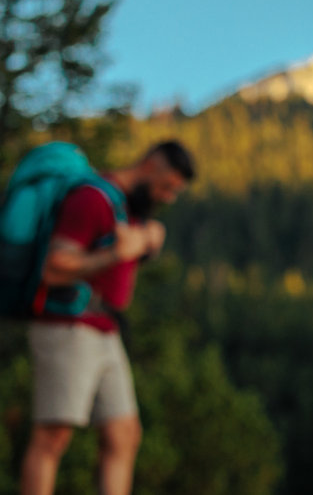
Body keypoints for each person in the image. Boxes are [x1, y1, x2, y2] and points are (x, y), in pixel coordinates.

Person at [19, 140, 195, 495]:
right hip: (67, 327)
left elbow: (111, 268)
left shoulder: (125, 208)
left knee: (123, 434)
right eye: (167, 187)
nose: (168, 197)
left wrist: (142, 250)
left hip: (104, 330)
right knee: (52, 436)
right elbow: (54, 268)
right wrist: (118, 253)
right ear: (150, 165)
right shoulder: (92, 199)